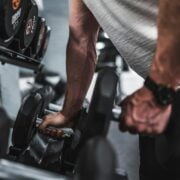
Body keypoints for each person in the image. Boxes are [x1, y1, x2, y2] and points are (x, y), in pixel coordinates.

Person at [39, 0, 180, 179]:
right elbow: (81, 39)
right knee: (153, 170)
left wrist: (158, 90)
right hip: (166, 90)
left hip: (164, 87)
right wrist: (70, 111)